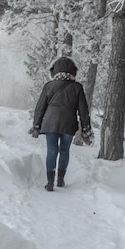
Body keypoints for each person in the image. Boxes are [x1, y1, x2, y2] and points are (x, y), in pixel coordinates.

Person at [29, 56, 93, 191]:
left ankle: (50, 182)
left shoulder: (49, 86)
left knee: (52, 150)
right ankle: (60, 180)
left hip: (50, 123)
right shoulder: (77, 87)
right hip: (68, 124)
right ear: (73, 71)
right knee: (64, 150)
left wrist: (36, 125)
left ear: (54, 71)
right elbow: (83, 111)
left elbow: (40, 108)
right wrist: (86, 130)